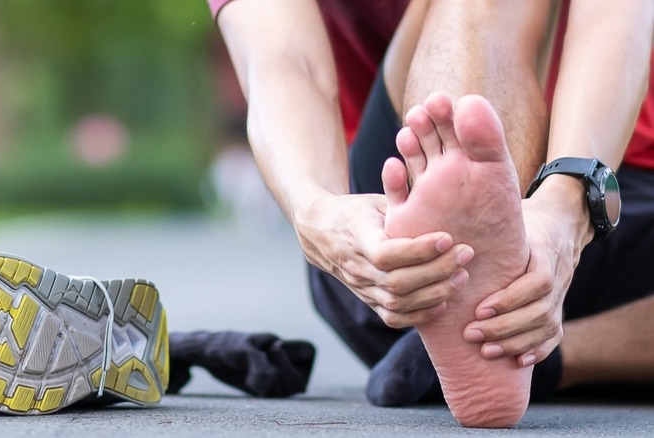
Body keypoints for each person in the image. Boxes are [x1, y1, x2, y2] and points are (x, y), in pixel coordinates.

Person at [208, 0, 654, 427]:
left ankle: (537, 351)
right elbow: (285, 60)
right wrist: (317, 210)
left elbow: (614, 15)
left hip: (597, 204)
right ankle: (477, 266)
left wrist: (565, 206)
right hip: (394, 266)